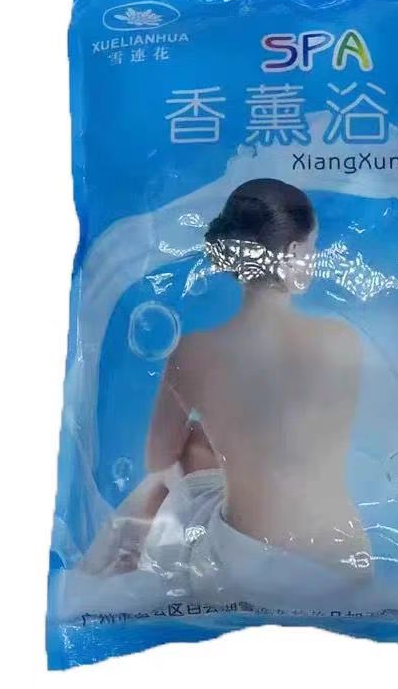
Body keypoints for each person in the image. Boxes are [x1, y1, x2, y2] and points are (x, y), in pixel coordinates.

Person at [81, 178, 371, 605]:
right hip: (343, 566)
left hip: (245, 571)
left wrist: (218, 427)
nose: (313, 259)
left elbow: (158, 461)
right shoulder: (343, 339)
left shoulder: (192, 352)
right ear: (293, 252)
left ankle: (114, 565)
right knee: (224, 445)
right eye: (312, 248)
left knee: (181, 458)